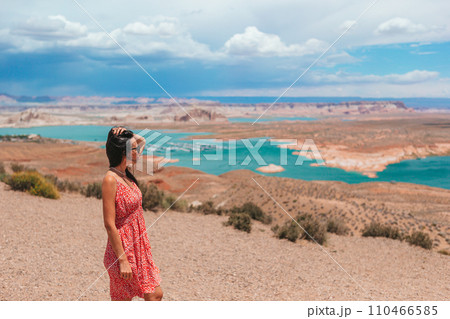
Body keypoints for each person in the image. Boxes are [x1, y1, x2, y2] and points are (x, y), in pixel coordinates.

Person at [102, 126, 163, 301]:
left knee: (156, 294)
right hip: (122, 250)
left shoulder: (126, 174)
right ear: (124, 152)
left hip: (139, 247)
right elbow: (109, 224)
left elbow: (141, 142)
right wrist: (122, 260)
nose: (138, 153)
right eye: (134, 150)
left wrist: (126, 133)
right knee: (128, 300)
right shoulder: (110, 179)